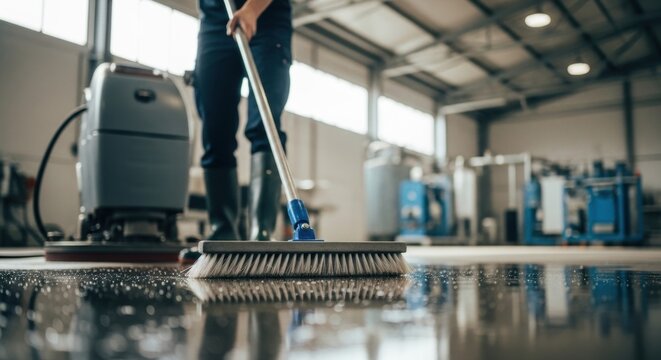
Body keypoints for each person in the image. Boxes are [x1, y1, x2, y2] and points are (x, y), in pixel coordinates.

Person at [194, 0, 292, 241]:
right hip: (216, 19)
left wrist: (252, 9)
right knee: (215, 128)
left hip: (267, 17)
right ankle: (223, 232)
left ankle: (262, 234)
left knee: (264, 124)